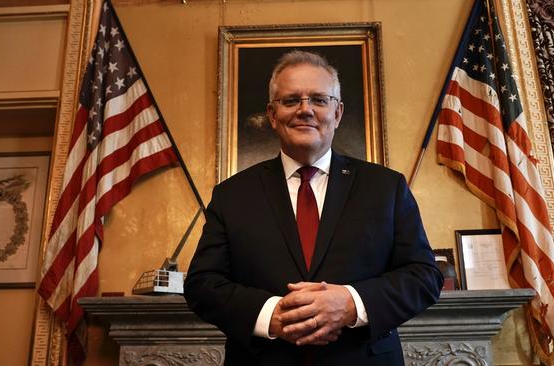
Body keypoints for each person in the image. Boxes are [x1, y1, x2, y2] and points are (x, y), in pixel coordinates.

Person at [184, 50, 443, 365]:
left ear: (337, 113)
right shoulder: (231, 194)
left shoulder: (386, 188)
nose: (305, 110)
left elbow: (424, 275)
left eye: (319, 100)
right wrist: (270, 316)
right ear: (271, 114)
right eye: (291, 100)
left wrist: (351, 303)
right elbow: (203, 284)